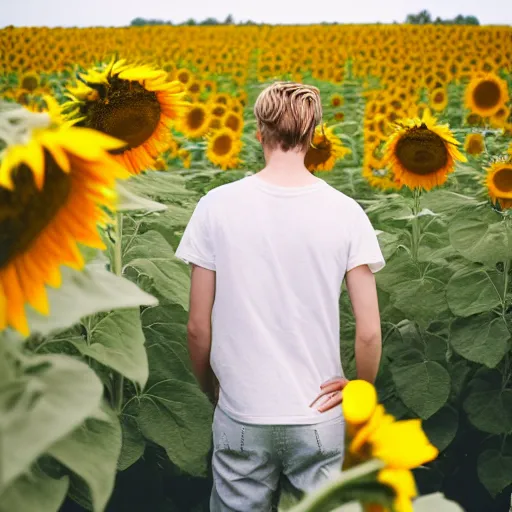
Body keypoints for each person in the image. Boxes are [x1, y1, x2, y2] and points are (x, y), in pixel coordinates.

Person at [175, 81, 384, 512]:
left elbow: (197, 327)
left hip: (242, 411)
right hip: (318, 415)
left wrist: (212, 389)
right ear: (314, 134)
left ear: (259, 132)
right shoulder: (346, 211)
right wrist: (359, 388)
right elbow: (369, 332)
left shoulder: (216, 206)